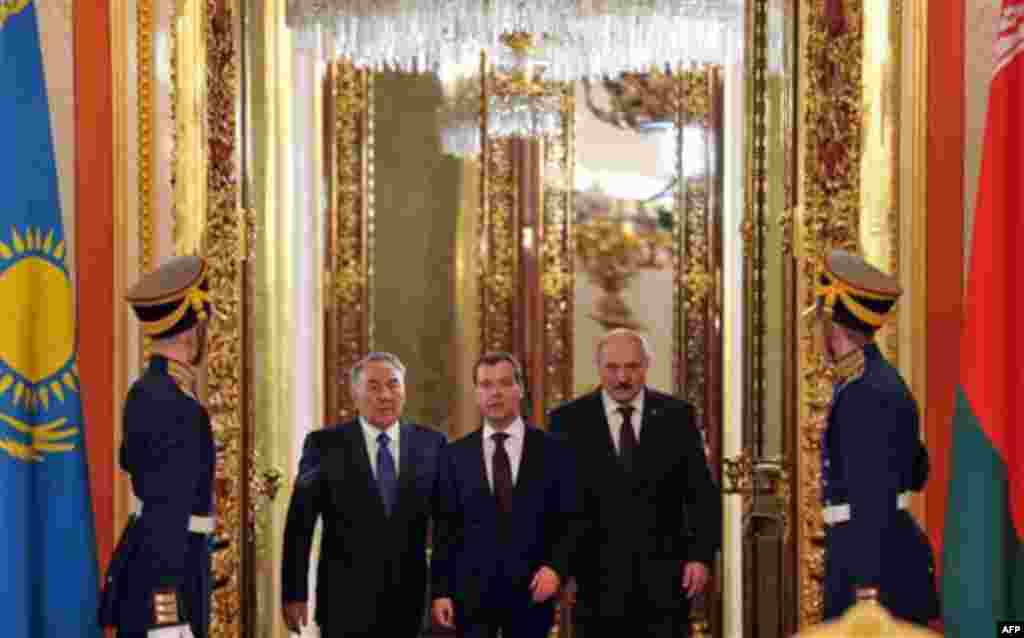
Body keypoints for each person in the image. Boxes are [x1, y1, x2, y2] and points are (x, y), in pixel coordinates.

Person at [547, 328, 721, 638]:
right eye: (612, 368)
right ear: (598, 368)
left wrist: (700, 556)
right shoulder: (567, 420)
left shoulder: (677, 416)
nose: (622, 377)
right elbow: (556, 503)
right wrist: (561, 569)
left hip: (665, 579)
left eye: (632, 367)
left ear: (646, 366)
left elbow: (700, 493)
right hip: (594, 580)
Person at [811, 249, 939, 624]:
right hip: (879, 553)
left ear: (832, 324)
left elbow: (872, 494)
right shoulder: (878, 381)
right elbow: (917, 471)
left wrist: (866, 587)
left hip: (870, 568)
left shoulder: (866, 391)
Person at [280, 352, 446, 637]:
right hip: (345, 603)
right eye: (373, 386)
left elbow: (448, 524)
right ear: (355, 395)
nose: (385, 395)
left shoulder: (431, 444)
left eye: (394, 385)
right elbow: (300, 523)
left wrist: (445, 590)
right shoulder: (324, 446)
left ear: (404, 392)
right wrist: (294, 594)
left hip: (413, 602)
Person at [431, 352, 579, 638]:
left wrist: (556, 569)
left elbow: (571, 520)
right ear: (476, 393)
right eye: (485, 385)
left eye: (504, 383)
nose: (495, 393)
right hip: (470, 598)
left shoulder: (554, 451)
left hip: (534, 592)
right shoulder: (453, 455)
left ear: (520, 389)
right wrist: (441, 591)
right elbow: (445, 529)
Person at [113, 255, 217, 638]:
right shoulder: (174, 405)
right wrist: (168, 617)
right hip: (171, 579)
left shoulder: (147, 392)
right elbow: (165, 514)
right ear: (194, 329)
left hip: (161, 566)